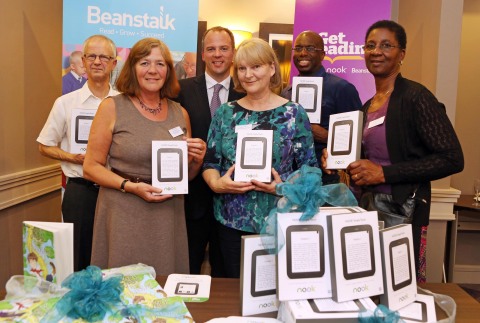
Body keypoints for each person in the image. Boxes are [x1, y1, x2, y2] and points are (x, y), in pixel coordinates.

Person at [321, 20, 464, 281]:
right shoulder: (367, 106)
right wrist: (338, 159)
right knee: (369, 286)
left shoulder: (416, 98)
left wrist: (385, 174)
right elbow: (367, 163)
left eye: (387, 45)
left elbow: (452, 158)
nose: (377, 51)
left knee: (399, 289)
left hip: (403, 213)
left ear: (402, 54)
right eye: (371, 45)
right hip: (367, 213)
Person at [83, 38, 206, 276]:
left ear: (169, 71)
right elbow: (90, 167)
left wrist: (197, 160)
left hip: (167, 217)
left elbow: (186, 176)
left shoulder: (180, 113)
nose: (152, 70)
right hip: (123, 212)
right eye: (144, 63)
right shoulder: (112, 107)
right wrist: (130, 187)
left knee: (163, 291)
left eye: (160, 64)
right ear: (132, 68)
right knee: (123, 289)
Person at [202, 38, 318, 278]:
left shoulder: (293, 113)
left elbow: (310, 170)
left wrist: (283, 187)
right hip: (230, 222)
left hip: (279, 221)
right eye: (242, 68)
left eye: (256, 67)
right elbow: (210, 162)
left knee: (274, 294)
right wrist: (216, 183)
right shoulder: (226, 113)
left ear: (271, 68)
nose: (248, 75)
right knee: (234, 293)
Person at [37, 35, 119, 271]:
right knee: (79, 260)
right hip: (80, 192)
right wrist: (72, 157)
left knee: (114, 259)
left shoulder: (124, 102)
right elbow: (44, 145)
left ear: (113, 63)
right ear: (83, 61)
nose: (97, 61)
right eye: (91, 56)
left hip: (116, 193)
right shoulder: (65, 103)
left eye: (104, 56)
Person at [175, 26, 245, 277]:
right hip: (191, 196)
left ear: (233, 53)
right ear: (202, 54)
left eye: (224, 48)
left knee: (228, 271)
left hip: (234, 199)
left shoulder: (247, 91)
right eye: (211, 49)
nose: (217, 54)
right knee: (186, 267)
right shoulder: (179, 90)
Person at [281, 31, 362, 184]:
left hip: (326, 179)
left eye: (310, 48)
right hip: (290, 179)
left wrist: (326, 137)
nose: (303, 53)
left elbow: (359, 140)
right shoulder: (286, 93)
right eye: (298, 48)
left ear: (323, 54)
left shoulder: (342, 88)